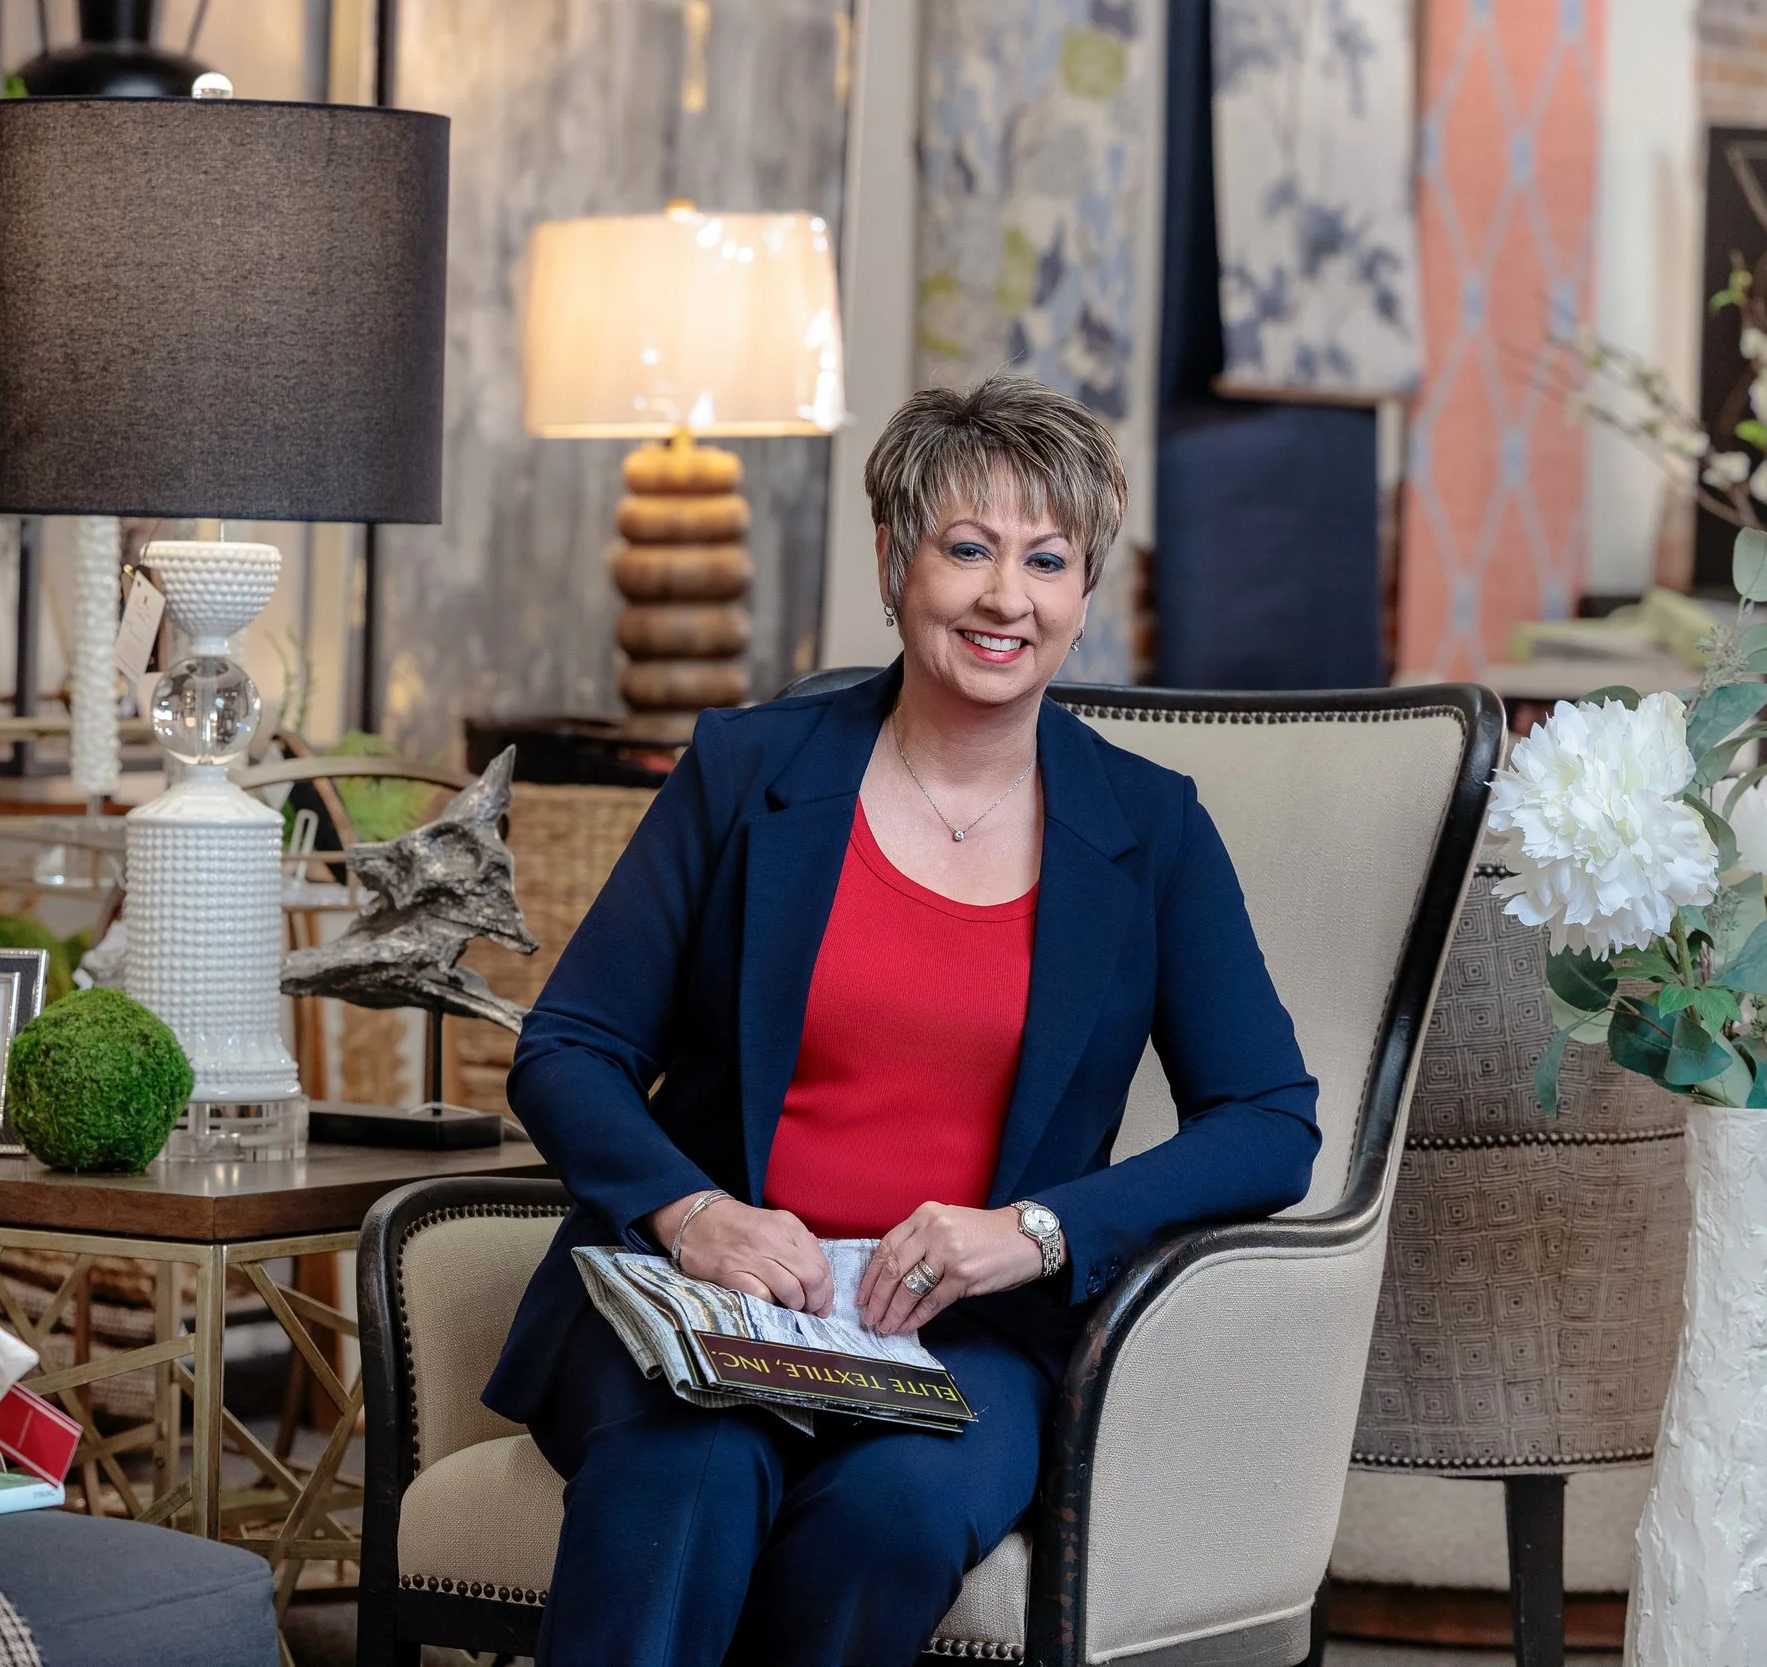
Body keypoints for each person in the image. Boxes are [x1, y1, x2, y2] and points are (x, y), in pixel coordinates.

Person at [485, 374, 1321, 1666]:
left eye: (1048, 560)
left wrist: (1034, 1231)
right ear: (894, 561)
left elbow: (1269, 1121)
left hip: (970, 1336)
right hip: (705, 1299)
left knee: (897, 1512)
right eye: (968, 548)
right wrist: (693, 1215)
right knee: (695, 1465)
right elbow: (570, 1047)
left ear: (1085, 593)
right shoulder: (747, 770)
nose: (1007, 598)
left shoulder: (1151, 826)